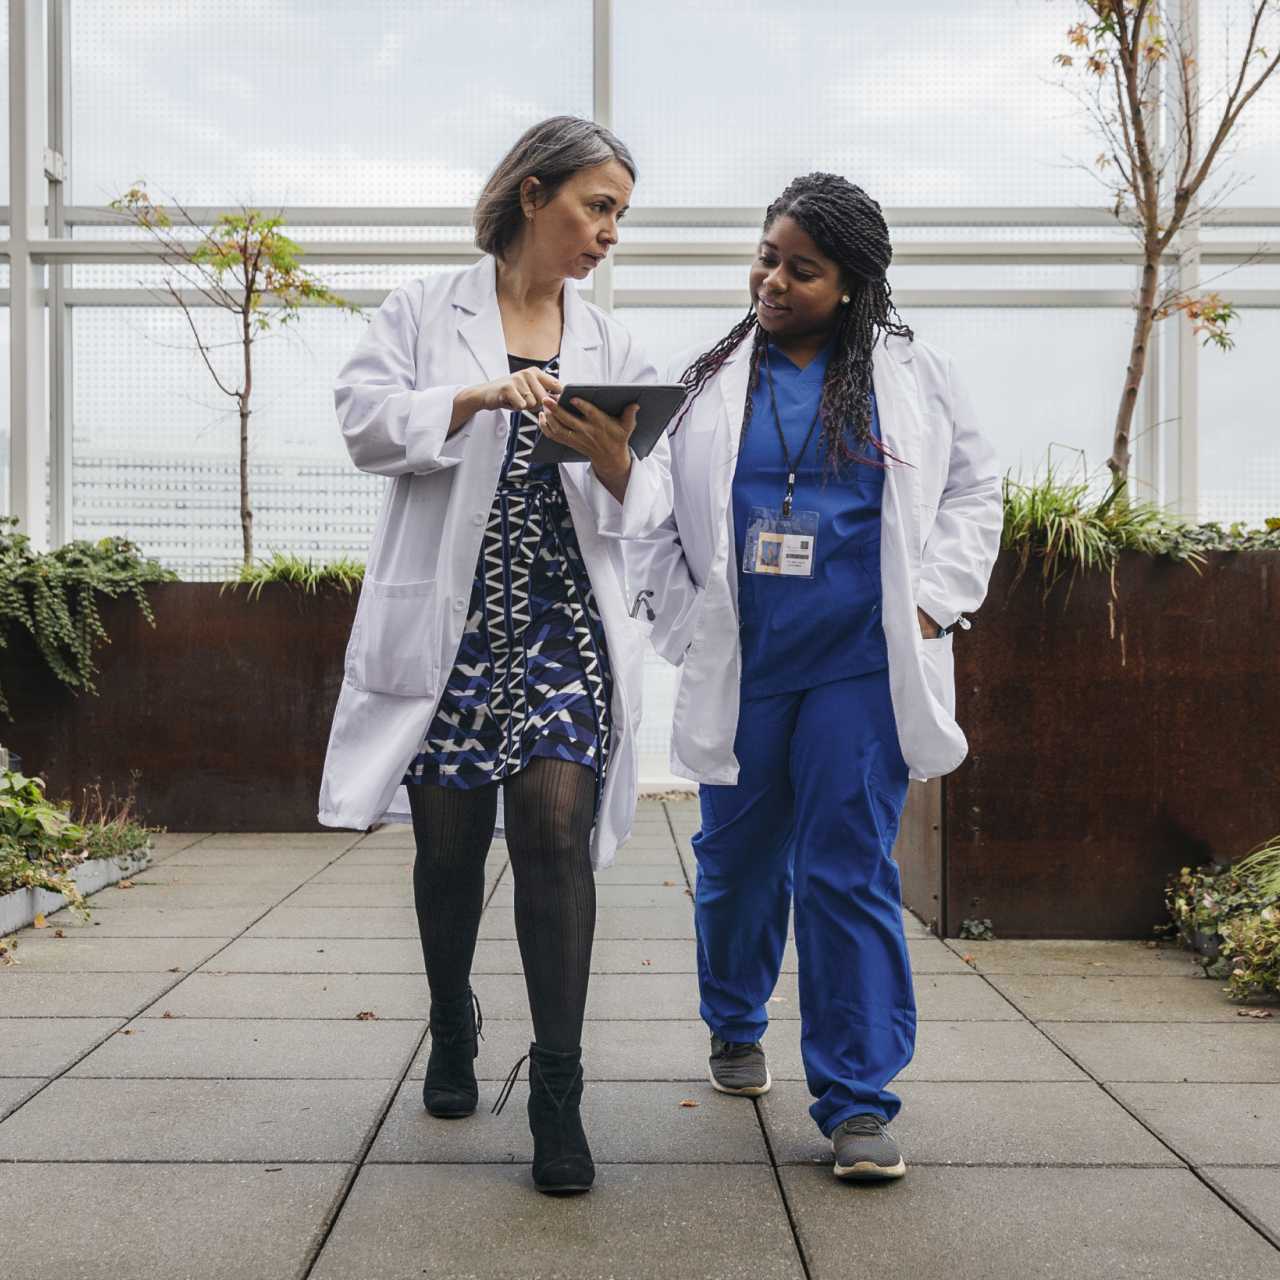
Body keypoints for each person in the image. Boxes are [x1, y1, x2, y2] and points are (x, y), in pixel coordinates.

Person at [625, 172, 1002, 1182]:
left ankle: (857, 1098)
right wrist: (683, 616)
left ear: (850, 284)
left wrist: (929, 603)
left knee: (844, 866)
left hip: (862, 664)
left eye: (801, 268)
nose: (772, 280)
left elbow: (973, 484)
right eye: (765, 256)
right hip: (744, 661)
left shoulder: (911, 372)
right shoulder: (703, 377)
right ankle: (733, 1014)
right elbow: (651, 512)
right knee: (737, 862)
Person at [318, 116, 670, 1195]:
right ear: (532, 194)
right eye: (594, 205)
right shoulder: (425, 311)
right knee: (449, 851)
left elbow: (649, 506)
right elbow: (363, 423)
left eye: (617, 213)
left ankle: (557, 1091)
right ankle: (450, 1017)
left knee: (556, 831)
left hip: (565, 628)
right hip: (454, 634)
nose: (606, 231)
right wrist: (469, 398)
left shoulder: (610, 348)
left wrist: (613, 459)